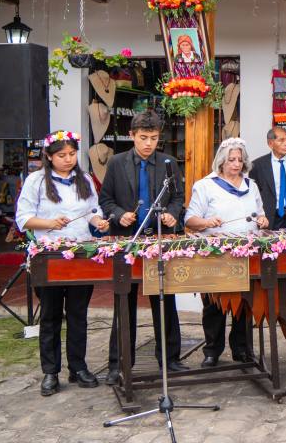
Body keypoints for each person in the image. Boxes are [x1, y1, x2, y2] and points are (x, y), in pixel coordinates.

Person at [16, 130, 110, 396]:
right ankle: (50, 372)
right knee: (51, 314)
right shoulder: (36, 180)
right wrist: (49, 223)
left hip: (80, 253)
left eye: (71, 154)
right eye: (61, 155)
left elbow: (93, 211)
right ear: (48, 156)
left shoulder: (86, 180)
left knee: (79, 314)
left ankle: (78, 367)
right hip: (50, 255)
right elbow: (23, 218)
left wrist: (98, 222)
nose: (68, 159)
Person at [98, 111, 187, 385]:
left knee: (165, 300)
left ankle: (170, 358)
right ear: (132, 136)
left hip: (160, 239)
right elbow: (106, 199)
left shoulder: (169, 162)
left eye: (154, 138)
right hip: (128, 239)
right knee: (124, 302)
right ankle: (119, 363)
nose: (149, 143)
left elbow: (178, 196)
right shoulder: (116, 162)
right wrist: (119, 214)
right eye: (143, 138)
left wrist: (172, 214)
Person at [185, 138, 269, 367]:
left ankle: (241, 349)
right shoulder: (205, 185)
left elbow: (261, 214)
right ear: (221, 161)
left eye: (240, 160)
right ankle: (212, 350)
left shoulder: (251, 185)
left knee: (244, 304)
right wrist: (206, 221)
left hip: (246, 254)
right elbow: (190, 220)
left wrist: (262, 219)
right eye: (231, 159)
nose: (236, 164)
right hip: (215, 254)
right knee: (214, 306)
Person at [249, 127, 286, 230]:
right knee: (270, 245)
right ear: (270, 144)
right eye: (281, 140)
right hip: (270, 218)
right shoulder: (257, 166)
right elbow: (254, 194)